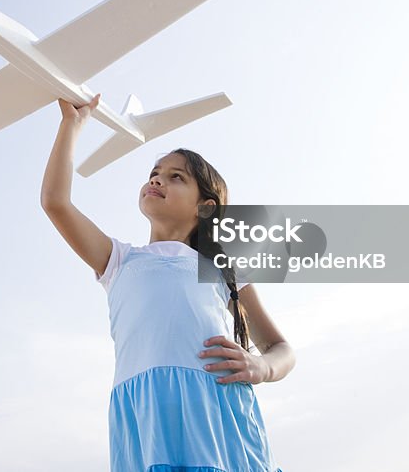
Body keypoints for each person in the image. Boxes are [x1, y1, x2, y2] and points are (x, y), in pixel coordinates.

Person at [41, 93, 296, 472]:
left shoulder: (223, 268)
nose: (157, 178)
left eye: (176, 176)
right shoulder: (119, 261)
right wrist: (71, 126)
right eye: (154, 173)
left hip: (215, 415)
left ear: (205, 207)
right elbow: (55, 202)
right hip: (148, 420)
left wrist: (261, 367)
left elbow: (280, 348)